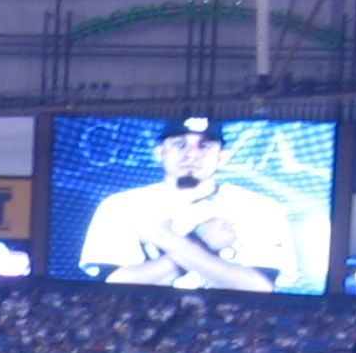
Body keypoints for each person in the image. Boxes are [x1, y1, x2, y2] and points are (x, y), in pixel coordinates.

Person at [78, 117, 296, 292]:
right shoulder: (121, 205)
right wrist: (203, 244)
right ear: (160, 152)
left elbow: (260, 287)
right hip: (140, 314)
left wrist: (172, 241)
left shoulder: (259, 207)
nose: (192, 153)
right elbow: (115, 287)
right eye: (179, 144)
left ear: (222, 157)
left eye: (204, 145)